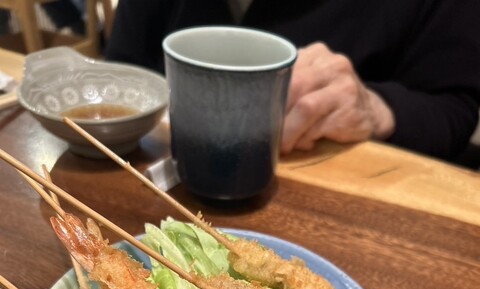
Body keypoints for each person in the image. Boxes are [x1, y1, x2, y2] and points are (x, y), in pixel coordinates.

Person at [105, 0, 480, 164]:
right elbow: (121, 67)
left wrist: (377, 108)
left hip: (350, 214)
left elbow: (455, 109)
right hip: (160, 186)